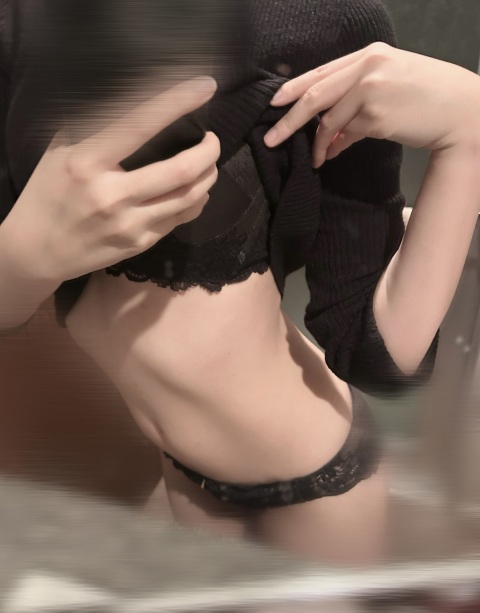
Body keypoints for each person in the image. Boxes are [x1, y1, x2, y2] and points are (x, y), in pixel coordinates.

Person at [0, 0, 478, 563]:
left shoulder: (323, 18)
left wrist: (468, 132)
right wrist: (21, 257)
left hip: (317, 478)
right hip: (186, 471)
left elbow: (376, 354)